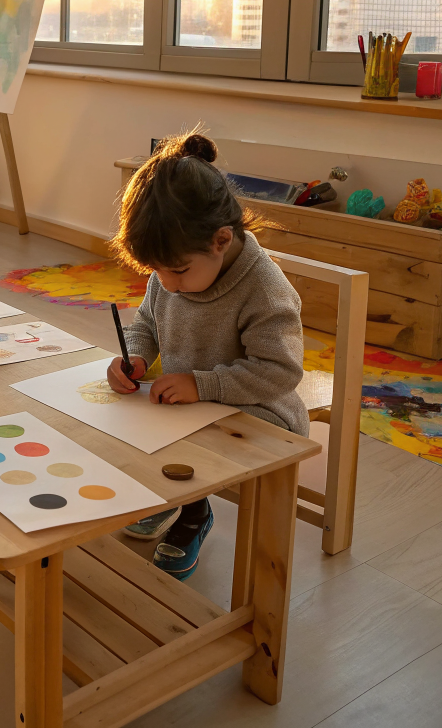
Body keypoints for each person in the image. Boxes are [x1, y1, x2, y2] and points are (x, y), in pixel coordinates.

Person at [107, 131, 306, 580]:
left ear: (221, 240)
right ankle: (171, 497)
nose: (167, 283)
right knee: (134, 418)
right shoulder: (172, 269)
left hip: (260, 411)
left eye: (176, 271)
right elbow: (146, 324)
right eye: (155, 272)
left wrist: (202, 384)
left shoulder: (265, 288)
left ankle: (194, 515)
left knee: (173, 432)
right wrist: (136, 356)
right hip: (193, 404)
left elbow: (280, 372)